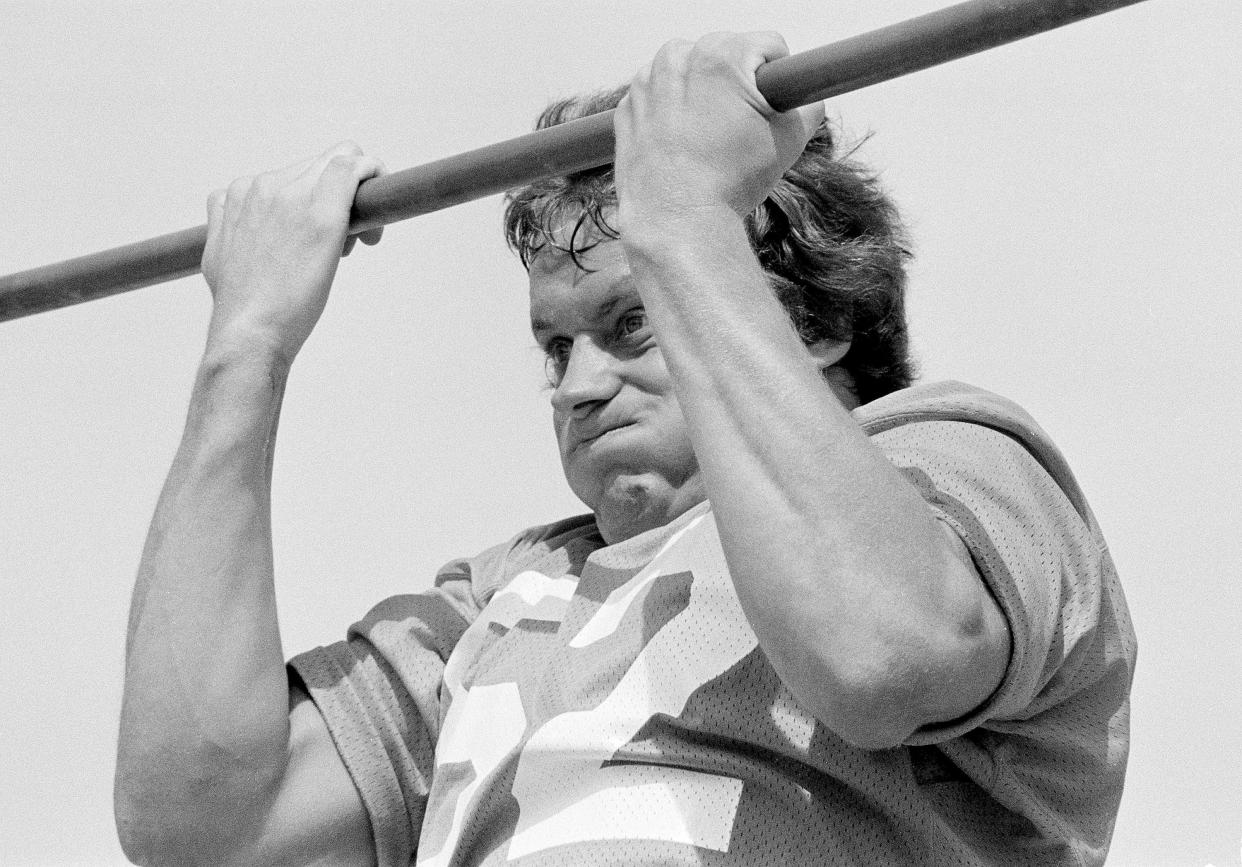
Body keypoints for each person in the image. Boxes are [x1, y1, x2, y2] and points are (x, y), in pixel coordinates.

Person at [113, 31, 1135, 867]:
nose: (577, 383)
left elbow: (883, 654)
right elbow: (203, 825)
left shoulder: (948, 462)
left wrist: (687, 219)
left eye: (632, 322)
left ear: (819, 323)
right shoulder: (505, 598)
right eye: (556, 345)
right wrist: (244, 349)